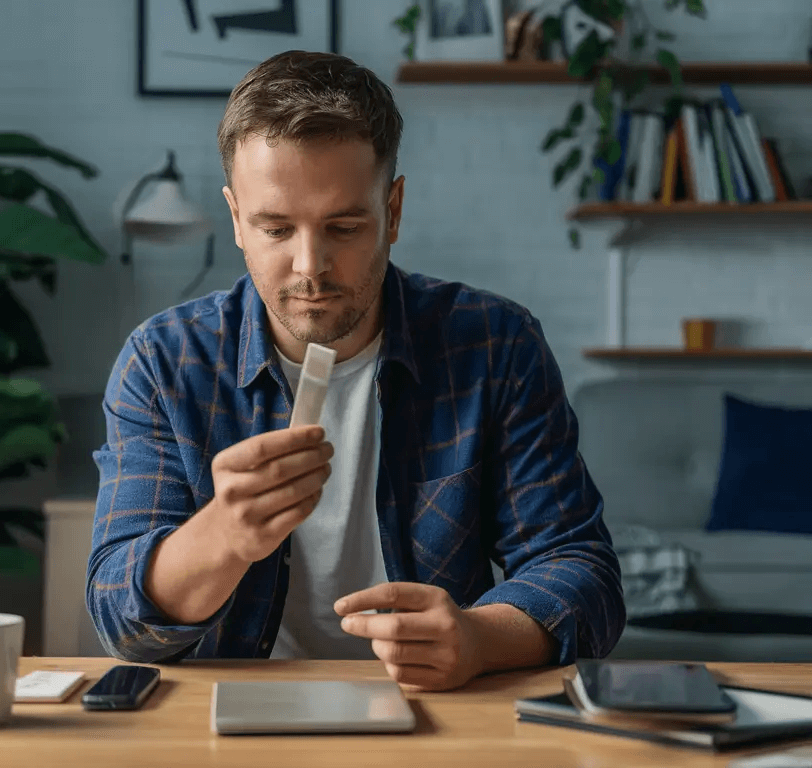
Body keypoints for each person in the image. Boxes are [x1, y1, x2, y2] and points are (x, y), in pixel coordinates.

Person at [86, 50, 625, 692]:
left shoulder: (494, 344)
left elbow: (581, 569)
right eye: (276, 228)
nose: (309, 265)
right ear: (235, 219)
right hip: (229, 720)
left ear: (392, 212)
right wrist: (222, 536)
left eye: (343, 226)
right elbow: (119, 617)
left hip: (438, 715)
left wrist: (479, 639)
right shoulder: (165, 361)